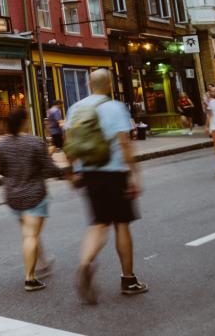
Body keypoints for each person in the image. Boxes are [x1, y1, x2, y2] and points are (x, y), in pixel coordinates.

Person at [65, 68, 147, 304]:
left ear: (90, 85)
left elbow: (70, 144)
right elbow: (124, 144)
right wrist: (134, 174)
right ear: (109, 84)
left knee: (99, 224)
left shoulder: (76, 108)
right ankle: (129, 280)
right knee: (122, 224)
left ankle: (85, 263)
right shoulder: (116, 107)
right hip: (115, 172)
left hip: (90, 172)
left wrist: (72, 172)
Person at [0, 107, 63, 292]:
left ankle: (43, 262)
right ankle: (30, 278)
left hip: (13, 196)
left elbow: (0, 169)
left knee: (29, 232)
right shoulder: (35, 142)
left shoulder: (1, 145)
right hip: (34, 195)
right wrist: (66, 173)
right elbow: (49, 168)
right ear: (25, 121)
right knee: (31, 235)